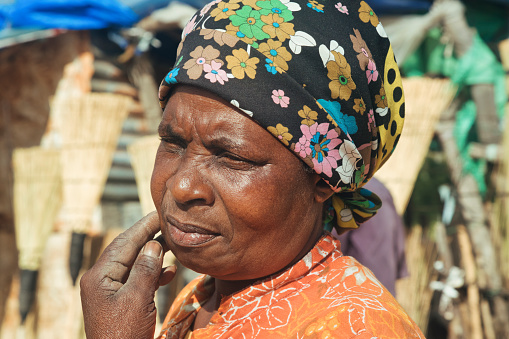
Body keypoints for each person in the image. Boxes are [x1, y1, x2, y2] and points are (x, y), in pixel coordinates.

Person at [80, 0, 425, 338]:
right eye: (174, 143)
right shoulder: (201, 299)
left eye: (232, 157)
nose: (181, 186)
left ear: (323, 179)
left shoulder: (353, 328)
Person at [334, 177, 408, 296]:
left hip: (357, 294)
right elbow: (399, 249)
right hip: (381, 294)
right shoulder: (379, 189)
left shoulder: (345, 188)